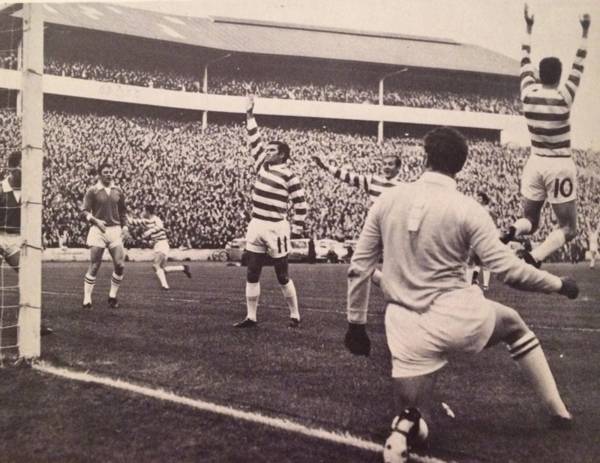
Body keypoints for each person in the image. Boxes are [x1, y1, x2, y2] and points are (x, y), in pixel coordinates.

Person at [343, 127, 579, 463]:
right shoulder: (468, 209)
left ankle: (405, 428)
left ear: (424, 158)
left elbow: (358, 267)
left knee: (414, 414)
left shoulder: (387, 199)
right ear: (461, 167)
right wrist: (559, 285)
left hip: (405, 327)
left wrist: (355, 324)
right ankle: (559, 412)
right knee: (514, 325)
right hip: (459, 316)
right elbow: (509, 271)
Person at [501, 5, 591, 268]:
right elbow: (580, 62)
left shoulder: (528, 93)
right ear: (560, 76)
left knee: (531, 221)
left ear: (539, 74)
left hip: (535, 162)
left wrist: (528, 27)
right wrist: (585, 31)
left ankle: (513, 230)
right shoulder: (564, 97)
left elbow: (524, 59)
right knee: (569, 228)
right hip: (559, 163)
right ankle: (536, 257)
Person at [234, 95, 308, 328]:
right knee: (252, 270)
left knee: (281, 274)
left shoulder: (290, 175)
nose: (267, 152)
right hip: (256, 224)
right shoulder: (261, 166)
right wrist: (249, 115)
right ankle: (251, 316)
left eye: (272, 150)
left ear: (283, 155)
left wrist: (296, 229)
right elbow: (254, 140)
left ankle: (294, 314)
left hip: (277, 226)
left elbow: (301, 204)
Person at [0, 151, 52, 336]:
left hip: (16, 240)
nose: (28, 170)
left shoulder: (29, 189)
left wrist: (39, 237)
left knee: (29, 279)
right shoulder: (1, 188)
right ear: (13, 168)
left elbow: (33, 218)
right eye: (23, 166)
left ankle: (32, 324)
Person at [81, 159, 130, 309]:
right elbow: (84, 212)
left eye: (110, 172)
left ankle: (112, 296)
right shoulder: (93, 190)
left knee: (120, 265)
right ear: (100, 175)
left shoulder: (118, 190)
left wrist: (125, 227)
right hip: (98, 230)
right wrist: (96, 221)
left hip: (115, 230)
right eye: (105, 173)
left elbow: (123, 211)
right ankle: (87, 298)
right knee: (95, 265)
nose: (109, 175)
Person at [128, 204, 191, 290]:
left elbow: (160, 227)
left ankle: (165, 286)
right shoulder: (147, 221)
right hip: (159, 245)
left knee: (155, 266)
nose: (142, 212)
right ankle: (183, 268)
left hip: (162, 244)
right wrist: (124, 216)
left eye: (144, 210)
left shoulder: (156, 220)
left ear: (148, 212)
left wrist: (149, 232)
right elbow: (133, 222)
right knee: (162, 269)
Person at [312, 152, 402, 204]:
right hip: (375, 227)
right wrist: (325, 167)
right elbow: (347, 176)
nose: (386, 167)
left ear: (398, 167)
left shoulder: (403, 187)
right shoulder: (372, 180)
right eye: (384, 164)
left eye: (390, 164)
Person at [466, 191, 495, 290]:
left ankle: (474, 284)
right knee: (475, 262)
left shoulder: (484, 210)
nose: (476, 200)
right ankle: (474, 283)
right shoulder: (479, 209)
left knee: (479, 262)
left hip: (482, 238)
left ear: (482, 199)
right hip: (478, 238)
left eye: (478, 198)